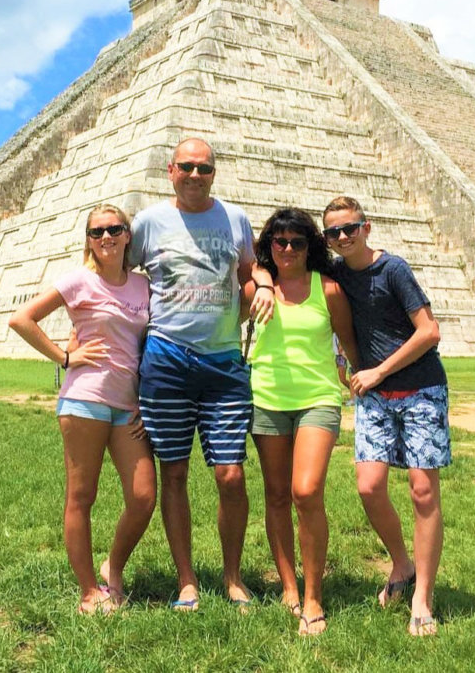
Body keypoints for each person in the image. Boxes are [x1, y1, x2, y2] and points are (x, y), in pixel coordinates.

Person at [128, 137, 274, 611]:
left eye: (204, 168)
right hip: (166, 361)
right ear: (169, 170)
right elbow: (114, 273)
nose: (195, 175)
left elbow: (249, 269)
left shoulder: (234, 218)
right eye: (186, 167)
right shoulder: (148, 222)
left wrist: (262, 287)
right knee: (174, 475)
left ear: (215, 172)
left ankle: (232, 577)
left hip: (224, 363)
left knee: (231, 476)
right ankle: (187, 579)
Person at [8, 204, 155, 614]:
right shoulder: (79, 280)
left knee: (143, 496)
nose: (106, 237)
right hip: (84, 400)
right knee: (81, 496)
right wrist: (65, 357)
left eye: (114, 229)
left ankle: (114, 569)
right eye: (96, 232)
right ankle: (89, 590)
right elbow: (22, 319)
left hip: (128, 405)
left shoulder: (143, 286)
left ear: (128, 235)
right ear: (88, 240)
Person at [322, 196, 450, 637]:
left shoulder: (392, 269)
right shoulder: (336, 274)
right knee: (369, 485)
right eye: (333, 232)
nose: (342, 238)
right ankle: (401, 561)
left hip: (420, 389)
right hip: (375, 395)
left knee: (422, 491)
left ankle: (423, 597)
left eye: (349, 229)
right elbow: (281, 262)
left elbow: (429, 331)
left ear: (367, 227)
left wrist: (377, 370)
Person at [242, 208, 359, 636]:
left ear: (312, 246)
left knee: (305, 491)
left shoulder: (328, 289)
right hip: (266, 397)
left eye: (298, 242)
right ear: (269, 245)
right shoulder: (256, 288)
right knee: (275, 495)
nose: (288, 249)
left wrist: (362, 380)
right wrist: (262, 282)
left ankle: (314, 596)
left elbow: (348, 345)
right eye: (280, 241)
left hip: (318, 398)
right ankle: (289, 586)